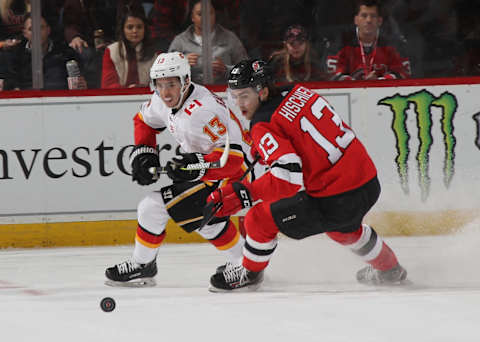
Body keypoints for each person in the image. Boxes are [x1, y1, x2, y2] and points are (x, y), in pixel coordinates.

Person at [206, 59, 408, 291]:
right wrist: (268, 147)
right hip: (368, 181)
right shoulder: (298, 91)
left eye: (244, 96)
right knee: (343, 230)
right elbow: (304, 134)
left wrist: (246, 193)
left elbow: (287, 179)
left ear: (262, 91)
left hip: (337, 198)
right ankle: (390, 269)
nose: (238, 103)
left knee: (258, 219)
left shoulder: (263, 123)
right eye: (234, 96)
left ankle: (249, 274)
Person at [104, 51, 254, 287]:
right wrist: (145, 153)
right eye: (160, 84)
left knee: (157, 207)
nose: (165, 92)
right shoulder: (162, 99)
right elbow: (143, 120)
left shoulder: (202, 111)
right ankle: (245, 262)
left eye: (171, 84)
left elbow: (234, 159)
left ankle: (245, 266)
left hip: (241, 173)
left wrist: (194, 165)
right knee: (193, 213)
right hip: (216, 171)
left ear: (185, 81)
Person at [326, 0, 411, 81]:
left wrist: (379, 82)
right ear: (356, 20)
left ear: (380, 21)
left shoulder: (393, 45)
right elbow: (333, 75)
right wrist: (359, 84)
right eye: (364, 15)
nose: (369, 20)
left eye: (373, 16)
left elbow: (403, 74)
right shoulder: (340, 43)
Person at [167, 0, 248, 84]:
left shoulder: (230, 38)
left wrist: (226, 69)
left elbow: (246, 70)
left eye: (210, 13)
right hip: (191, 94)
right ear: (192, 17)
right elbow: (166, 72)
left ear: (215, 15)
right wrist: (181, 63)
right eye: (200, 14)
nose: (206, 17)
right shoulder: (180, 41)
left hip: (223, 93)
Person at [4, 13, 83, 90]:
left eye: (40, 27)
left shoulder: (66, 53)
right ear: (25, 33)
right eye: (31, 29)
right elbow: (12, 84)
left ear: (48, 30)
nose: (36, 33)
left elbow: (81, 81)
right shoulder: (16, 56)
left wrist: (82, 84)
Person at [101, 7, 157, 88]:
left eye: (139, 27)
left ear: (145, 30)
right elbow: (107, 85)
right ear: (123, 30)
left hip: (146, 96)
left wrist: (141, 88)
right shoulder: (111, 51)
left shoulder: (155, 53)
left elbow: (158, 84)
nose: (135, 31)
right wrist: (128, 90)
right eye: (130, 27)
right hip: (118, 98)